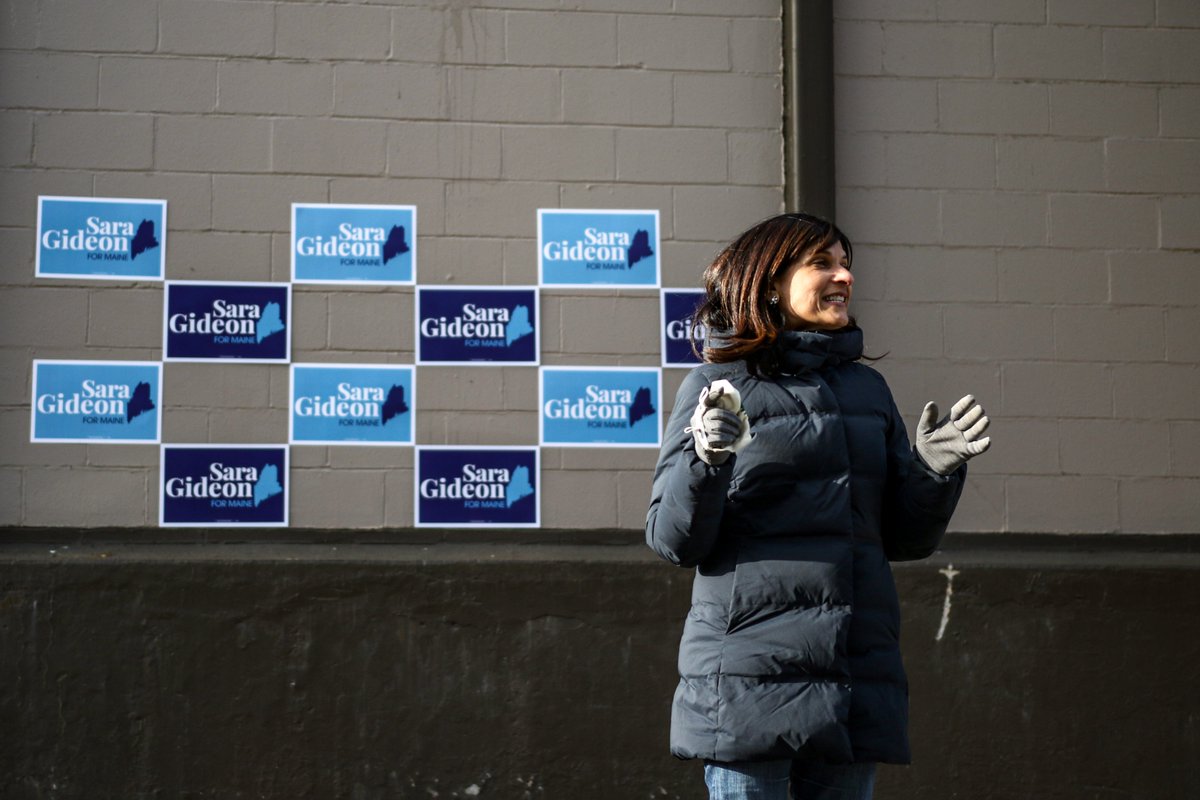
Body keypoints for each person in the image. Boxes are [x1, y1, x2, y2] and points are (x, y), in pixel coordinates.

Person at [645, 213, 991, 800]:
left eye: (845, 262)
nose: (845, 276)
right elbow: (674, 539)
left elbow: (903, 540)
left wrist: (932, 473)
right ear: (769, 282)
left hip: (852, 683)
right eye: (823, 263)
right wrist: (706, 459)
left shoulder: (866, 390)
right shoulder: (718, 383)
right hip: (749, 689)